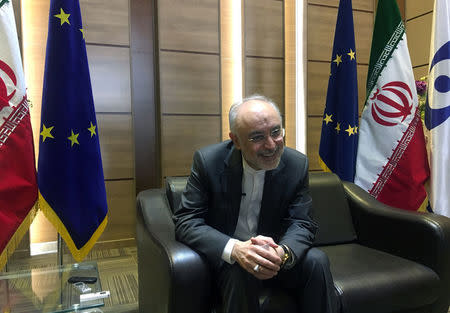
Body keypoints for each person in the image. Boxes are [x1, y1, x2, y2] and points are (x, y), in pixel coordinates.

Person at [173, 94, 337, 313]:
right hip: (230, 259)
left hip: (275, 256)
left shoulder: (296, 164)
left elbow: (302, 222)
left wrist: (283, 253)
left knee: (317, 261)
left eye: (276, 132)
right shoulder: (208, 161)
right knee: (240, 271)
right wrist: (236, 249)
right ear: (236, 140)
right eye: (257, 137)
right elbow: (186, 220)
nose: (271, 145)